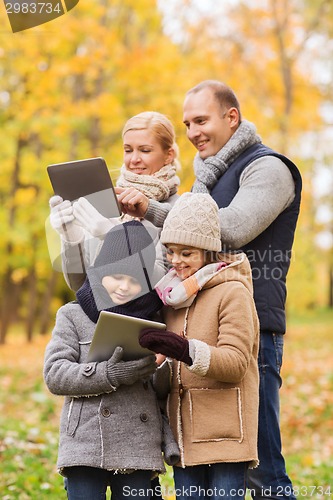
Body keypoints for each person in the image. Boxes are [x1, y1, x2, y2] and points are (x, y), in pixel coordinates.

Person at [117, 80, 302, 500]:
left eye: (201, 120)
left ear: (231, 117)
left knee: (261, 467)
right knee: (203, 461)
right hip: (195, 333)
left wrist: (152, 209)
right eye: (186, 124)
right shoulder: (206, 180)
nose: (193, 131)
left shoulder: (268, 168)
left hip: (249, 333)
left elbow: (232, 229)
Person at [44, 220, 179, 500]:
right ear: (100, 271)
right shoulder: (72, 315)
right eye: (117, 276)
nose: (123, 287)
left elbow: (161, 390)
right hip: (85, 442)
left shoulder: (152, 321)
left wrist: (163, 364)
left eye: (134, 281)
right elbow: (55, 374)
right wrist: (110, 374)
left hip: (138, 443)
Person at [138, 192, 260, 500]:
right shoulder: (172, 296)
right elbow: (172, 374)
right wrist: (159, 364)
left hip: (226, 433)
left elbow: (235, 365)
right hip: (185, 436)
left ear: (208, 252)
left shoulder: (233, 291)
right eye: (171, 251)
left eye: (187, 253)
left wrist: (183, 349)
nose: (176, 261)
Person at [48, 111, 180, 292]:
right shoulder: (108, 203)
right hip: (98, 316)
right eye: (128, 150)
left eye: (145, 150)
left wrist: (115, 237)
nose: (134, 159)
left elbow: (161, 284)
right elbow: (79, 285)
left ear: (168, 155)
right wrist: (71, 237)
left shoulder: (176, 210)